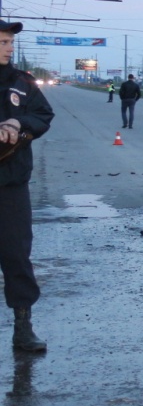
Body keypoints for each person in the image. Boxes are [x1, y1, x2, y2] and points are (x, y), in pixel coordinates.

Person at [0, 19, 54, 354]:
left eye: (9, 42)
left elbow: (43, 115)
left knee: (17, 255)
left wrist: (18, 122)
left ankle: (23, 327)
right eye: (3, 42)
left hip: (11, 183)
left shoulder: (22, 83)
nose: (9, 47)